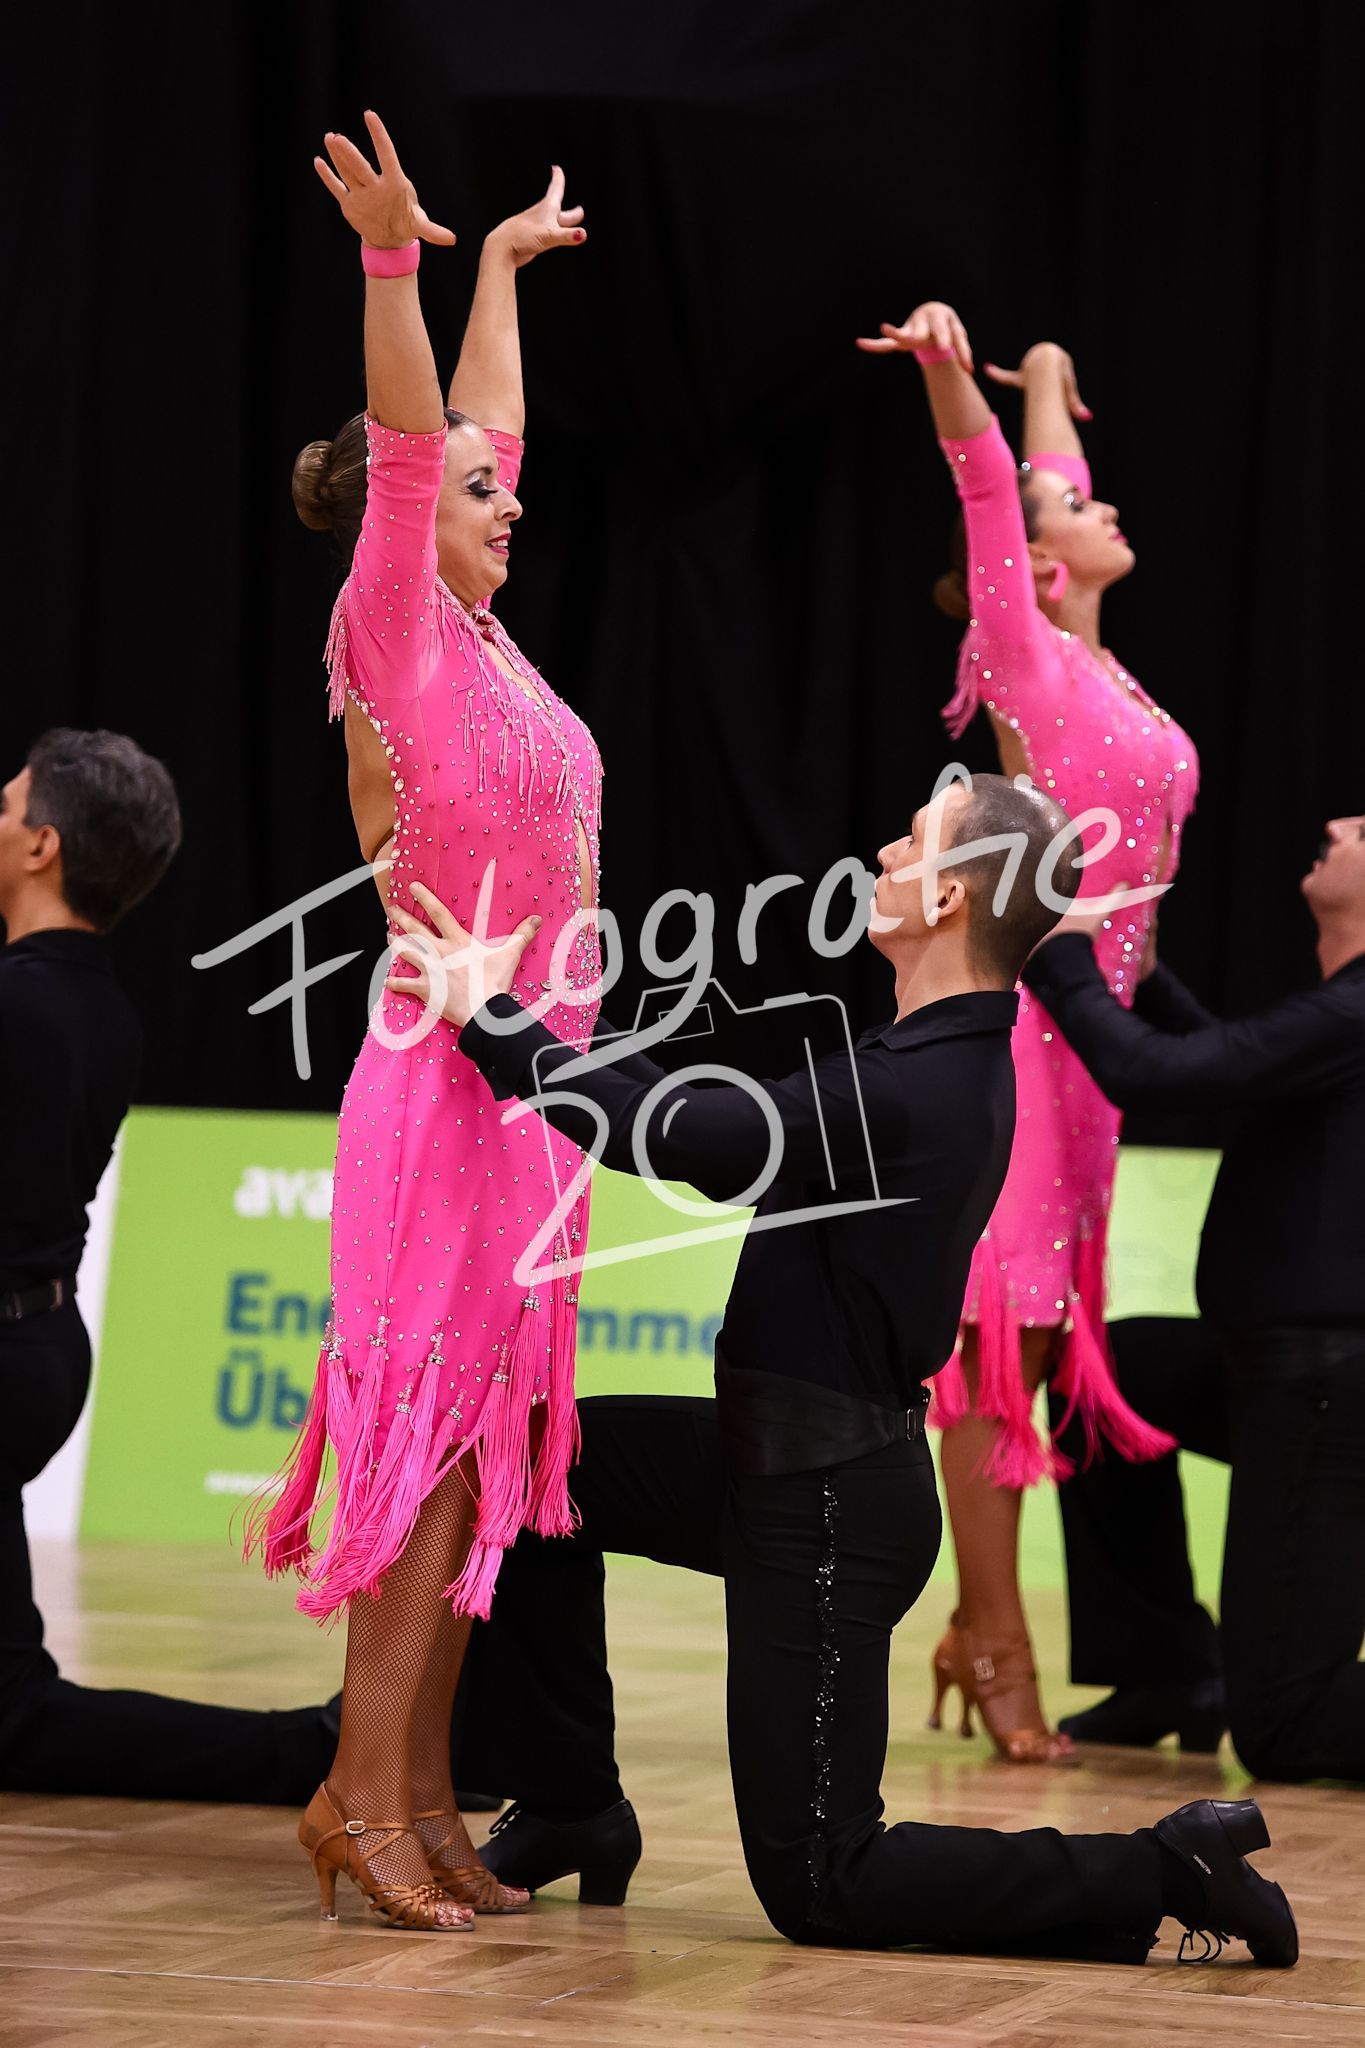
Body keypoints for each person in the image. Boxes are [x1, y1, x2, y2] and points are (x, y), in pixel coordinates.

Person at [384, 775, 1297, 1969]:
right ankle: (570, 1804)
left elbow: (697, 1136)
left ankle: (1166, 1864)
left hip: (827, 1505)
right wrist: (518, 1024)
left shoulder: (923, 1083)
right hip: (774, 1460)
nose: (884, 854)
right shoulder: (932, 1052)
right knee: (526, 1477)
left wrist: (496, 1022)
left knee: (823, 1878)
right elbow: (702, 1113)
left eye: (912, 843)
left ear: (953, 895)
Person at [247, 114, 599, 1933]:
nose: (504, 497)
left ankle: (429, 1797)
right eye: (477, 493)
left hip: (530, 1098)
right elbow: (421, 444)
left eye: (498, 488)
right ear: (409, 516)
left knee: (473, 1475)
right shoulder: (391, 621)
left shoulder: (493, 645)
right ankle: (356, 1795)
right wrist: (392, 263)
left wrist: (498, 273)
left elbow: (482, 427)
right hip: (439, 1089)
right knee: (415, 1469)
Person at [854, 305, 1198, 1760]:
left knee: (1044, 1350)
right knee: (999, 1350)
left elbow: (1048, 484)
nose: (1095, 501)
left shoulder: (1097, 666)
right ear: (1039, 564)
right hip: (1030, 1042)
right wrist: (951, 375)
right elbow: (998, 491)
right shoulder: (1023, 656)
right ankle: (993, 1641)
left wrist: (1048, 376)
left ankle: (982, 1624)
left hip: (1092, 1057)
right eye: (1073, 507)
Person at [0, 728, 338, 1802]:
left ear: (42, 846)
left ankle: (328, 1751)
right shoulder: (102, 1007)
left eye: (5, 808)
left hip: (9, 1345)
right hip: (43, 1347)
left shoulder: (21, 1004)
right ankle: (326, 1751)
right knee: (13, 1715)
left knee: (14, 1716)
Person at [1021, 814, 1365, 1781]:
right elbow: (1229, 1063)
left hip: (1326, 1391)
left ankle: (1218, 1686)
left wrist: (1060, 956)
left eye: (1363, 829)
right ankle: (1166, 1672)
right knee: (1106, 1381)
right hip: (1278, 1370)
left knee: (1285, 1726)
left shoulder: (1353, 1013)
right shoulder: (1339, 1016)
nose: (1337, 825)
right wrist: (1140, 979)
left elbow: (1153, 1072)